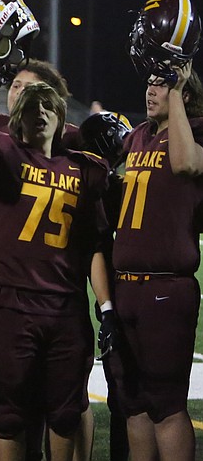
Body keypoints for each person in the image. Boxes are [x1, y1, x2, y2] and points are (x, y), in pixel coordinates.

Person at [0, 77, 113, 461]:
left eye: (48, 107)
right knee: (11, 415)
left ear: (63, 118)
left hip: (64, 305)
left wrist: (106, 307)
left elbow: (94, 245)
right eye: (31, 108)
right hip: (10, 302)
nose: (41, 113)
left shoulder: (83, 169)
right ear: (17, 120)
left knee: (65, 413)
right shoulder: (8, 154)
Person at [107, 64, 203, 461]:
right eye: (149, 82)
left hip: (166, 286)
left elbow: (186, 165)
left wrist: (178, 93)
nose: (151, 90)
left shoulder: (195, 129)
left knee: (166, 403)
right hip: (125, 285)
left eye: (162, 84)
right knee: (133, 403)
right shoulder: (140, 137)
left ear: (183, 90)